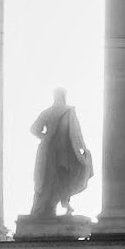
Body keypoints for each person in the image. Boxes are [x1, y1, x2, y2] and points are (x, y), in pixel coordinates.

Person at [29, 88, 94, 218]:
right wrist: (82, 149)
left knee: (52, 179)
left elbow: (35, 129)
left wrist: (46, 137)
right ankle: (55, 206)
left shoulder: (49, 112)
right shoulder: (68, 111)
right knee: (60, 178)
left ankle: (53, 206)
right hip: (64, 152)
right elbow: (77, 133)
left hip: (52, 150)